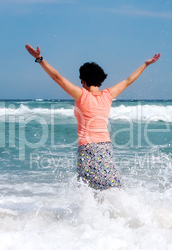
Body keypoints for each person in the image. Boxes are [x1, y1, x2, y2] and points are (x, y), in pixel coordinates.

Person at [25, 44, 161, 190]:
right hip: (106, 148)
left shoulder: (81, 94)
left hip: (87, 148)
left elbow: (56, 77)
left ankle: (91, 213)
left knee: (88, 190)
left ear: (83, 79)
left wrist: (39, 59)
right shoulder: (108, 95)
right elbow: (128, 80)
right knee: (112, 188)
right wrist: (145, 65)